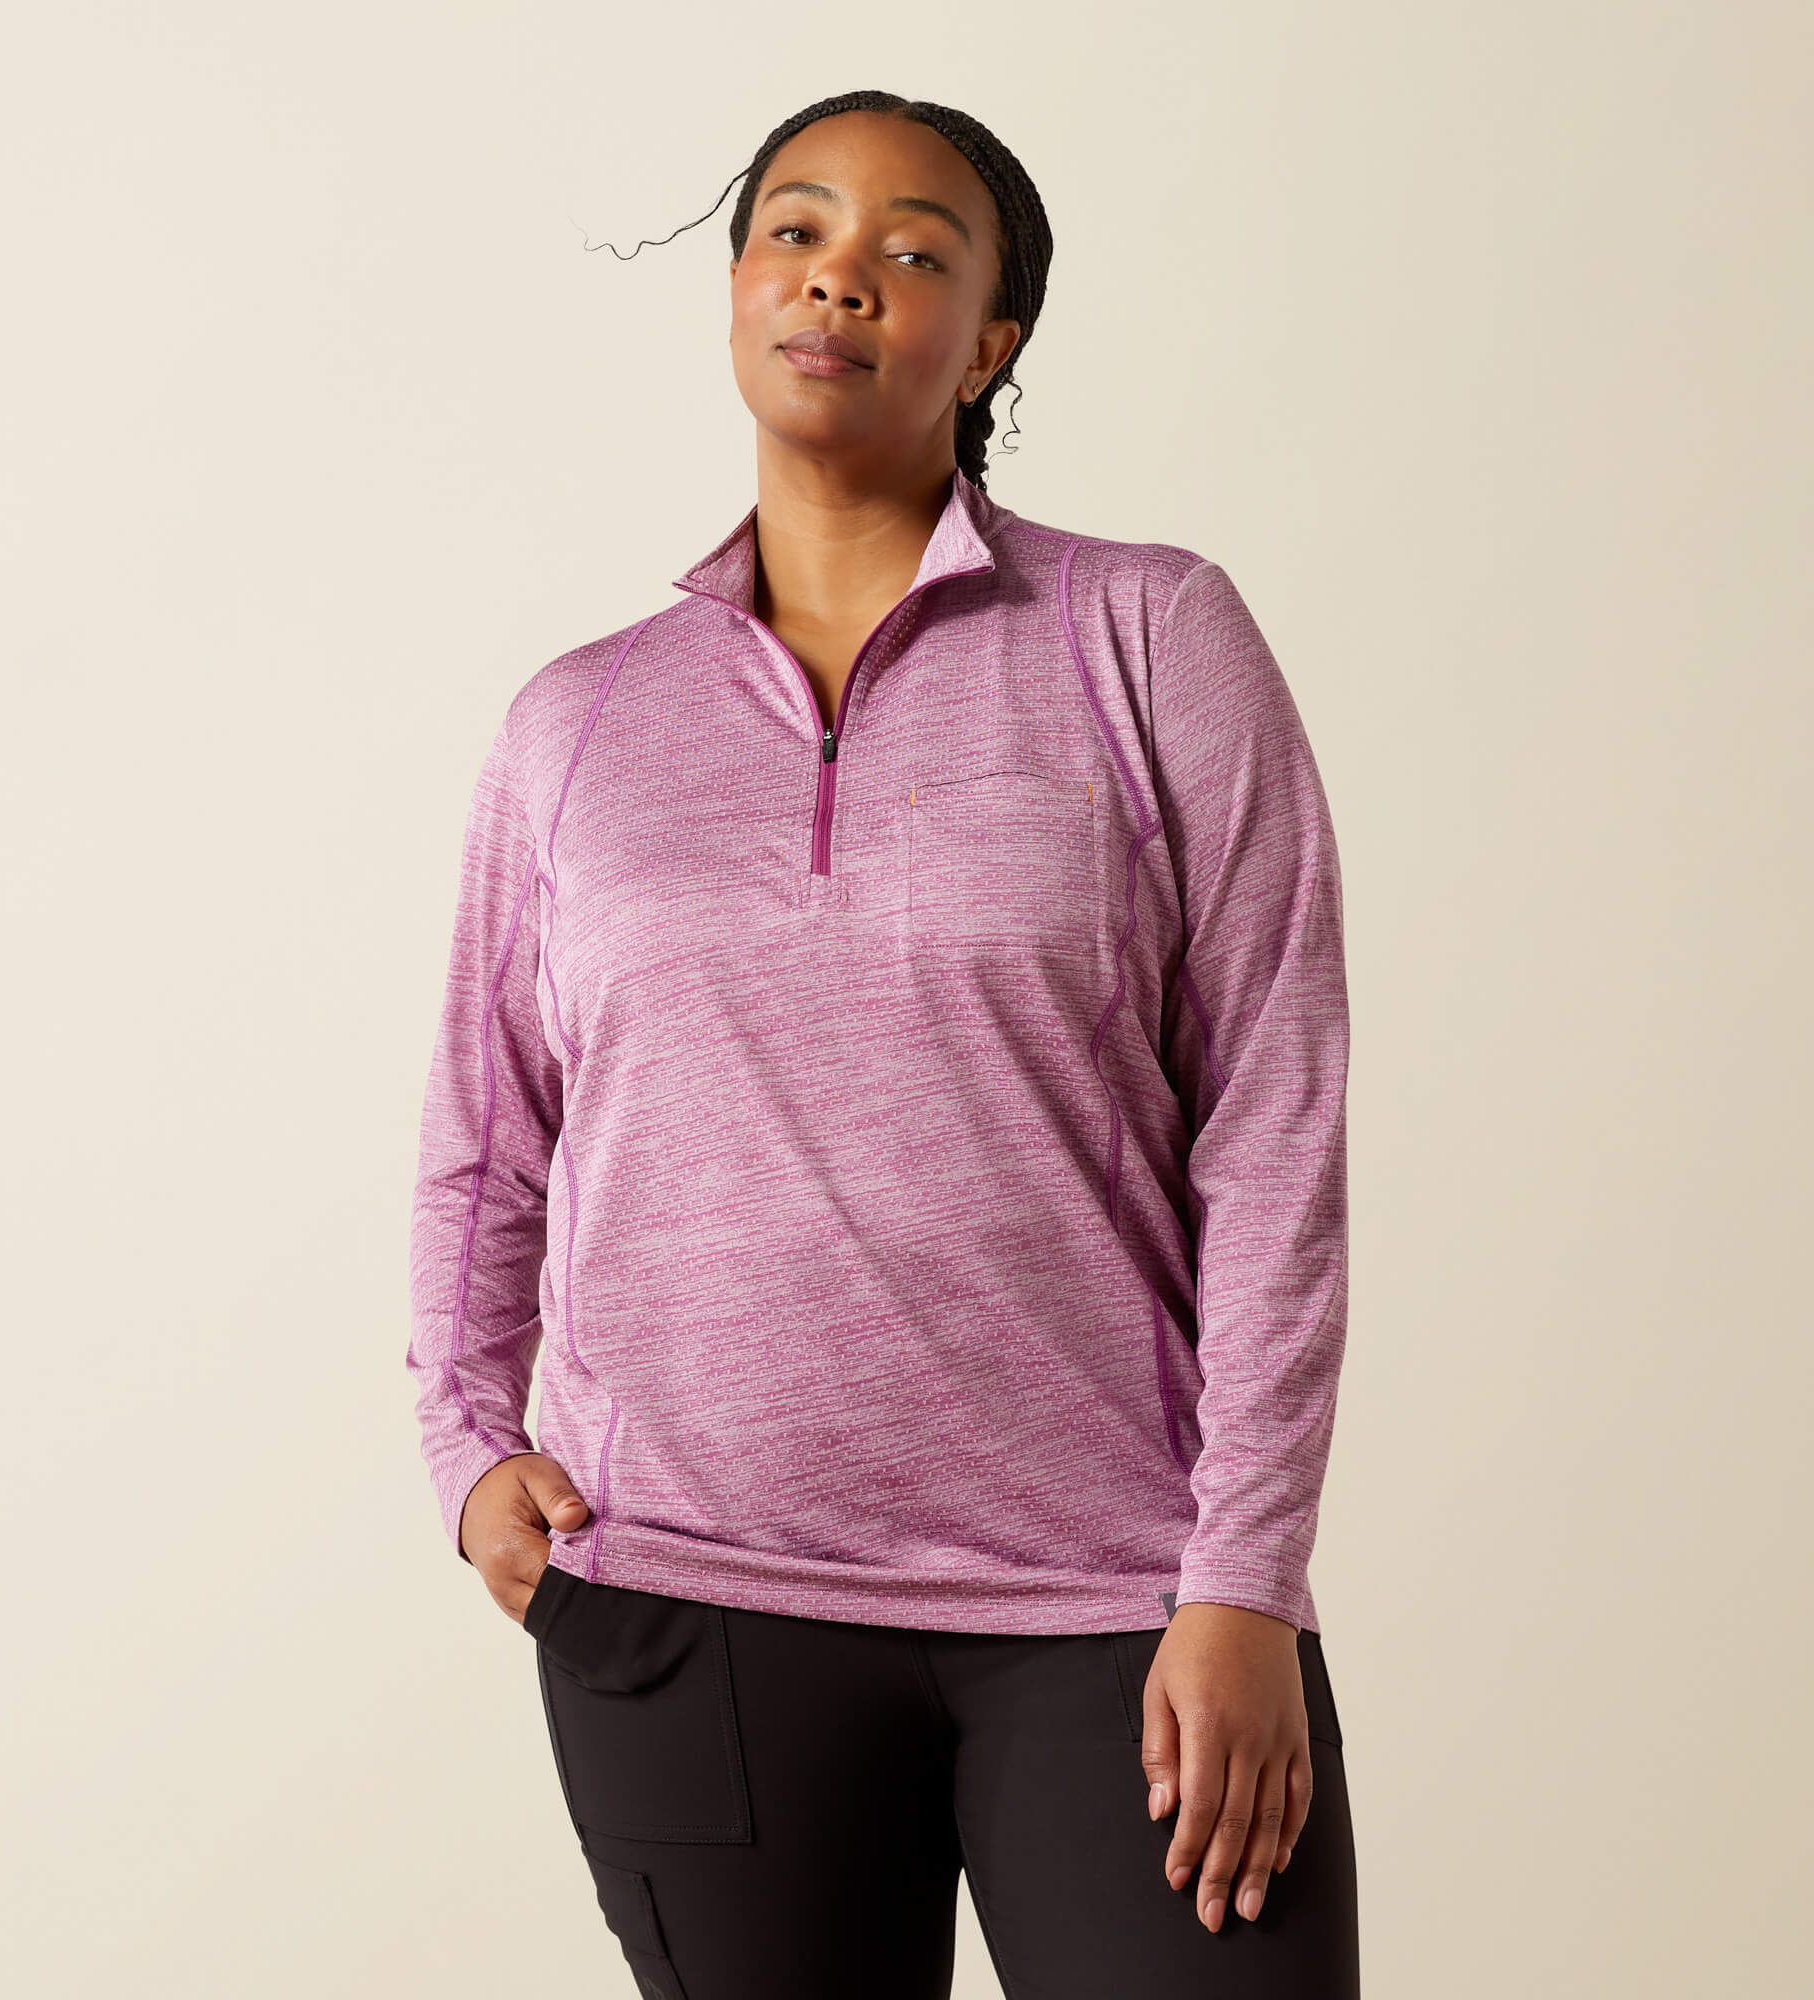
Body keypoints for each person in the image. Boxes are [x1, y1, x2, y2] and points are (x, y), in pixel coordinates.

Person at [406, 88, 1358, 2000]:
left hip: (1117, 1603)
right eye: (797, 229)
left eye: (915, 252)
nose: (840, 277)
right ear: (738, 289)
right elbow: (490, 1136)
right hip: (690, 1600)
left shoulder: (1147, 634)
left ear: (989, 343)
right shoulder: (577, 724)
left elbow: (1274, 1121)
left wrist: (1245, 1577)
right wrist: (466, 1445)